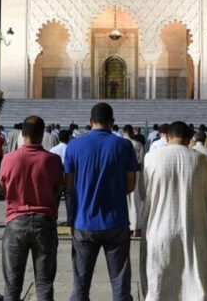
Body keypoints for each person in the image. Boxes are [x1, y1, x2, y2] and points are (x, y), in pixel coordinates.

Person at [64, 102, 138, 301]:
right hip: (116, 221)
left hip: (84, 221)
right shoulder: (124, 145)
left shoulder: (74, 146)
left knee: (80, 285)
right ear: (112, 122)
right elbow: (130, 186)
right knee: (120, 284)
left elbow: (69, 186)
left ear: (90, 122)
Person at [139, 121, 207, 301]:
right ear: (189, 139)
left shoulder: (151, 158)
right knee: (194, 285)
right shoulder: (202, 160)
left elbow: (143, 192)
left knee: (158, 285)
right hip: (193, 231)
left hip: (159, 229)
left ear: (167, 137)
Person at [0, 116, 64, 301]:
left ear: (22, 133)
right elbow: (57, 188)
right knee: (44, 284)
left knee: (12, 286)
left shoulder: (8, 159)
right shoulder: (52, 160)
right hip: (44, 220)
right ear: (42, 135)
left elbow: (4, 188)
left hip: (16, 220)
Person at [123, 124, 146, 237]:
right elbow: (141, 161)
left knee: (124, 201)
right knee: (135, 201)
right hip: (135, 173)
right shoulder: (138, 144)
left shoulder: (119, 143)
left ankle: (125, 226)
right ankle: (136, 228)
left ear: (124, 132)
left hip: (121, 174)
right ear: (131, 132)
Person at [50, 130, 74, 226]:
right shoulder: (71, 149)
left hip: (57, 177)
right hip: (69, 176)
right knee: (70, 200)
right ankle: (70, 221)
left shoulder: (53, 150)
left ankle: (53, 219)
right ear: (68, 138)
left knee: (55, 200)